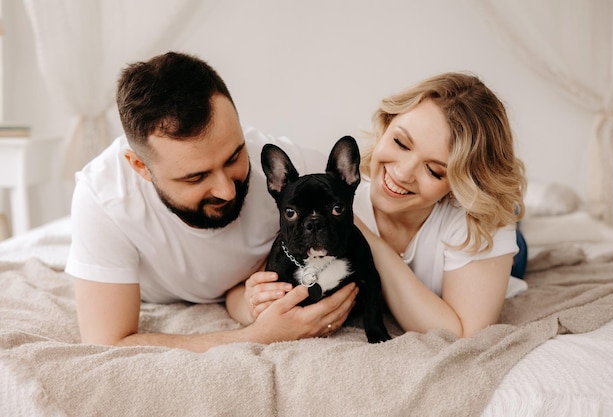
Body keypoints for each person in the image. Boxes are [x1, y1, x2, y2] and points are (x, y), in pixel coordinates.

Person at [66, 51, 358, 353]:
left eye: (234, 156)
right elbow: (108, 341)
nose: (227, 191)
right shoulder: (104, 199)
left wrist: (254, 304)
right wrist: (260, 335)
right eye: (196, 177)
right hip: (160, 293)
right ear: (140, 167)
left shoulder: (288, 172)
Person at [353, 72, 528, 338]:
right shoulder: (342, 197)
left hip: (494, 245)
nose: (402, 174)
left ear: (460, 186)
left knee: (513, 230)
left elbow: (464, 334)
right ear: (387, 123)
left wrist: (369, 241)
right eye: (400, 143)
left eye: (434, 171)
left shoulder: (479, 220)